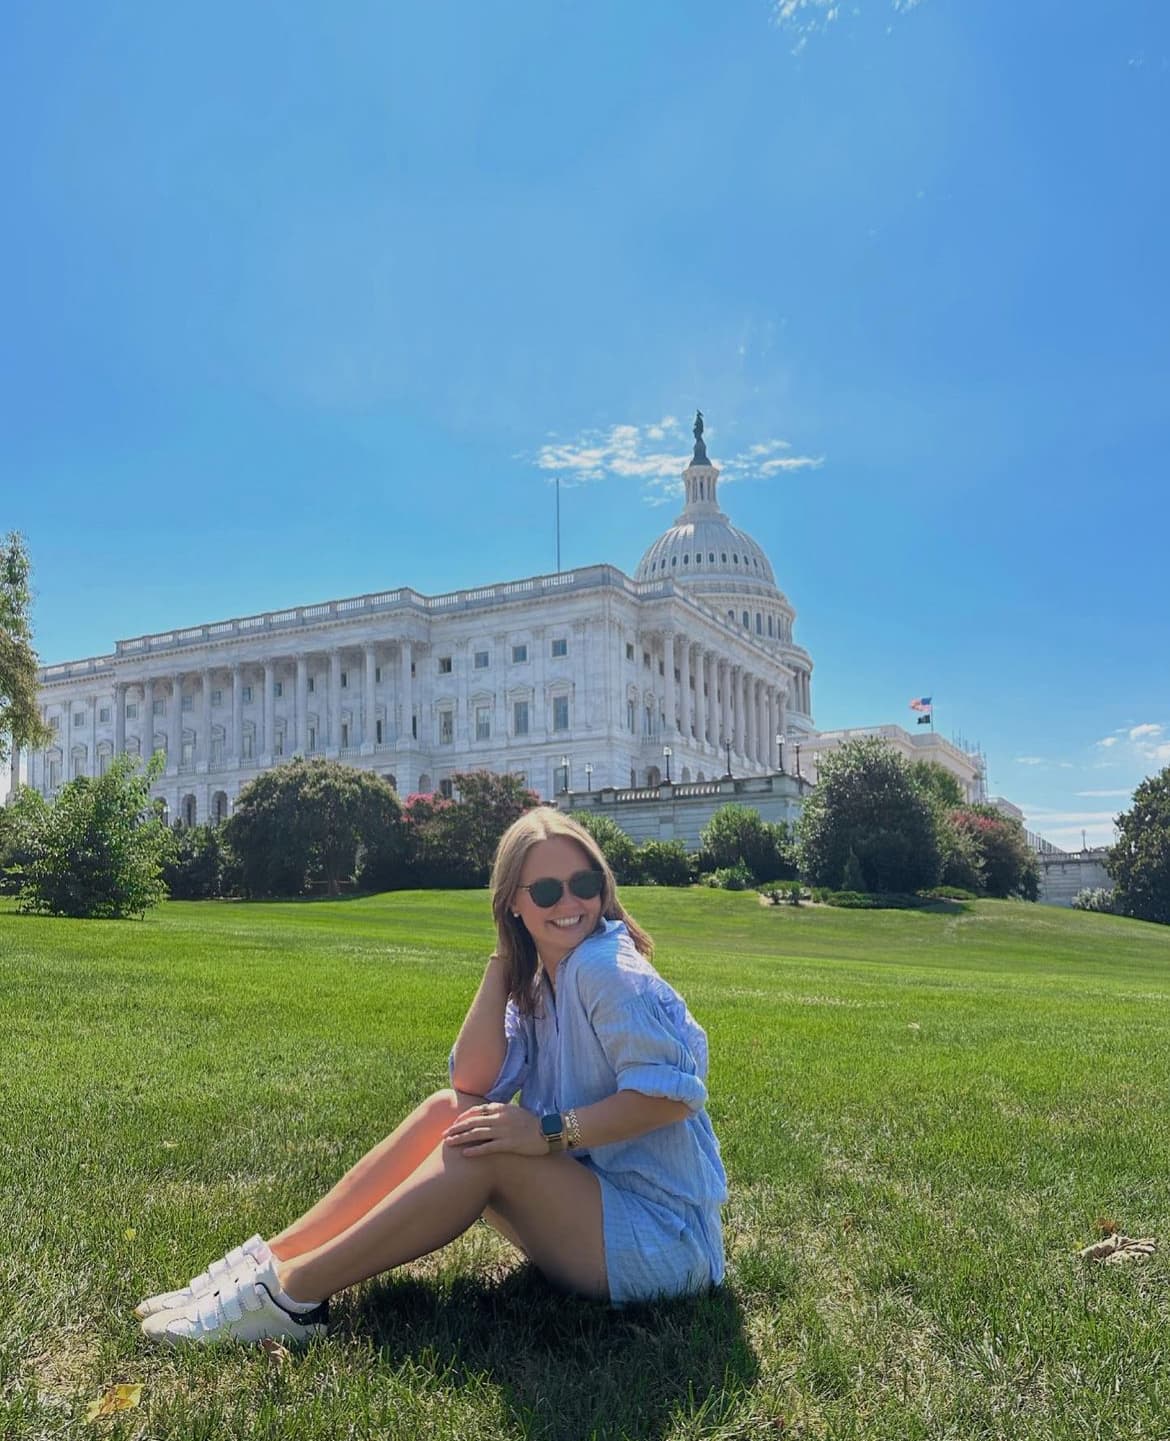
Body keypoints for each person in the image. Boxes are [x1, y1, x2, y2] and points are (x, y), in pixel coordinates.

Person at [137, 809, 727, 1346]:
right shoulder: (547, 974)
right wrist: (505, 957)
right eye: (545, 890)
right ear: (513, 904)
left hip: (665, 1243)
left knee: (485, 1149)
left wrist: (546, 1132)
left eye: (585, 884)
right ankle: (273, 1259)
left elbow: (667, 1099)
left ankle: (292, 1296)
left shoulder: (603, 968)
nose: (569, 902)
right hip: (597, 1210)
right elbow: (471, 1078)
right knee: (449, 1111)